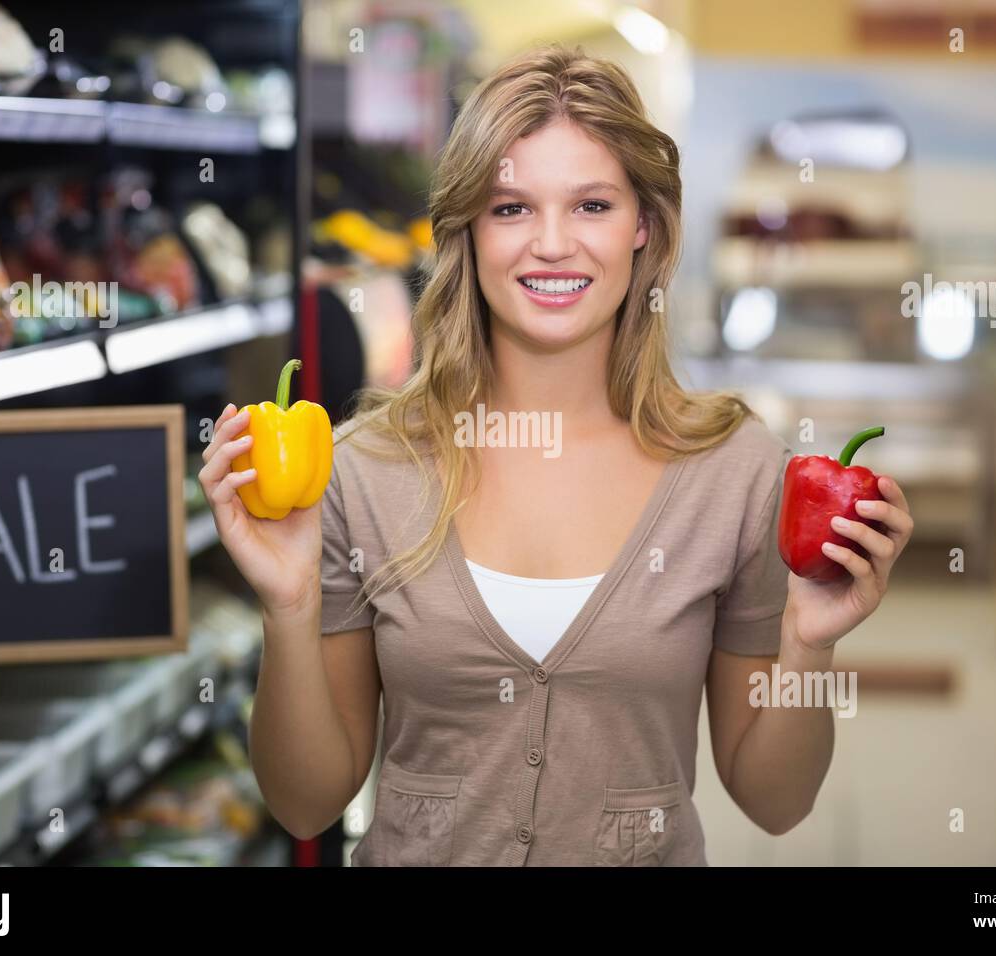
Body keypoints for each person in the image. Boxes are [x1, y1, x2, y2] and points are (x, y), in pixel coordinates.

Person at [199, 45, 914, 866]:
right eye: (511, 208)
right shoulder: (365, 470)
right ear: (467, 228)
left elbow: (775, 802)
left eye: (591, 205)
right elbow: (304, 803)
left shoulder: (735, 472)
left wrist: (810, 646)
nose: (551, 244)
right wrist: (289, 609)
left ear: (643, 225)